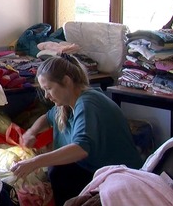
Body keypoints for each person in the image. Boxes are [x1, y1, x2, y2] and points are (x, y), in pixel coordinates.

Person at [10, 54, 143, 206]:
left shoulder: (88, 103)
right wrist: (31, 132)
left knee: (59, 172)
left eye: (49, 89)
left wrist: (35, 162)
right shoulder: (67, 103)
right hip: (94, 169)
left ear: (66, 81)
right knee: (57, 170)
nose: (47, 96)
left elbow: (80, 149)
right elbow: (47, 118)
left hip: (120, 175)